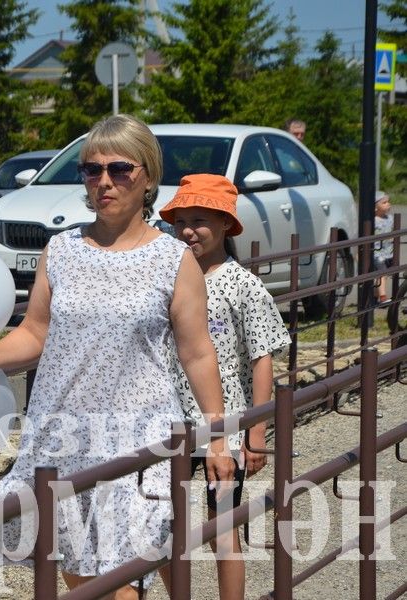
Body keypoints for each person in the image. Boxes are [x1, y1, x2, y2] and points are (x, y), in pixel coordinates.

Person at [0, 114, 236, 599]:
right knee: (79, 578)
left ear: (147, 177)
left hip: (136, 445)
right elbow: (36, 332)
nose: (105, 181)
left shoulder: (172, 259)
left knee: (121, 586)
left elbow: (199, 354)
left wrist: (218, 438)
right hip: (62, 438)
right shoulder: (61, 250)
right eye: (91, 169)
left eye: (120, 169)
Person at [158, 174, 291, 600]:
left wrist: (255, 433)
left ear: (225, 226)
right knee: (163, 525)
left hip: (226, 424)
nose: (188, 230)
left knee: (223, 527)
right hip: (171, 421)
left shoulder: (241, 284)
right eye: (180, 221)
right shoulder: (168, 278)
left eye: (199, 219)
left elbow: (262, 356)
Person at [375, 190, 395, 304]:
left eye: (388, 202)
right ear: (375, 207)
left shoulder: (390, 218)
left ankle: (374, 295)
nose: (388, 204)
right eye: (384, 202)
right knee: (382, 274)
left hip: (388, 251)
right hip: (377, 253)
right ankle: (382, 297)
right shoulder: (373, 221)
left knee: (384, 275)